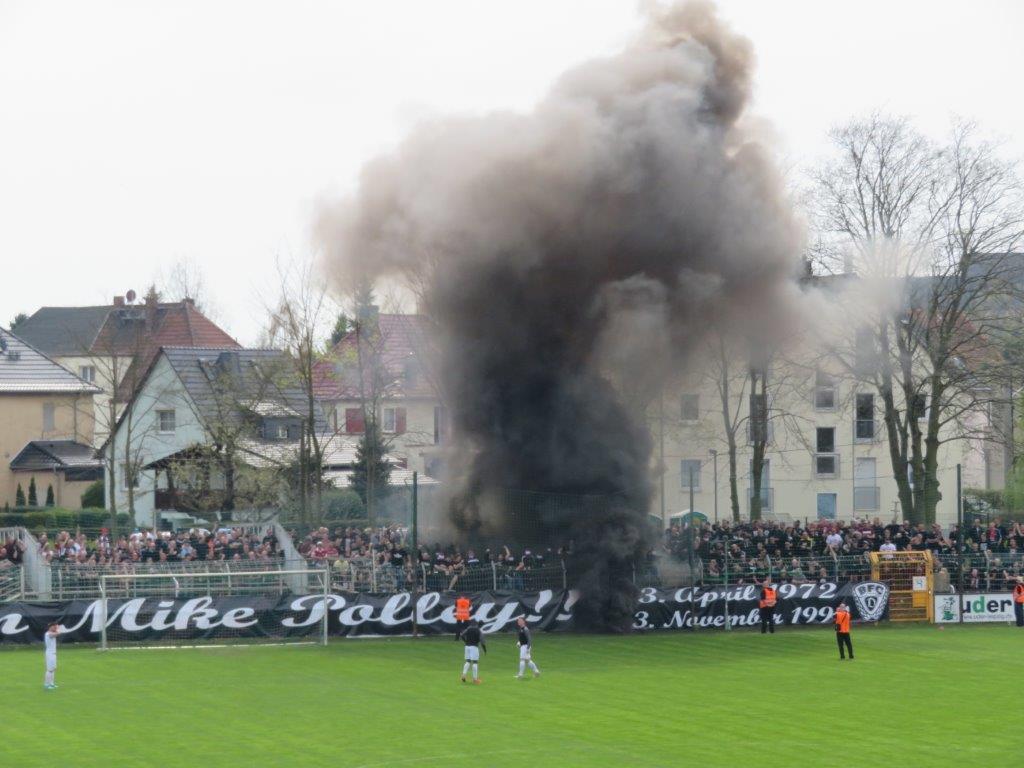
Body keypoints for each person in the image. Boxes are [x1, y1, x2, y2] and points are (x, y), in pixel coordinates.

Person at [460, 619, 486, 684]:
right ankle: (475, 679)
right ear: (481, 625)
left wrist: (465, 641)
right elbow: (482, 641)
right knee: (475, 662)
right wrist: (484, 649)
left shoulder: (469, 628)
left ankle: (463, 675)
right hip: (474, 647)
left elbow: (462, 635)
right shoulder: (479, 631)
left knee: (468, 661)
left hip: (467, 646)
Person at [44, 622, 61, 690]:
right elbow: (56, 634)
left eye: (55, 626)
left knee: (53, 669)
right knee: (49, 670)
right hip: (50, 654)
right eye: (54, 627)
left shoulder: (52, 633)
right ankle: (46, 684)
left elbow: (56, 633)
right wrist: (58, 629)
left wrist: (57, 629)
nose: (55, 628)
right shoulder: (48, 634)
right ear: (50, 627)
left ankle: (51, 683)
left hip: (53, 653)